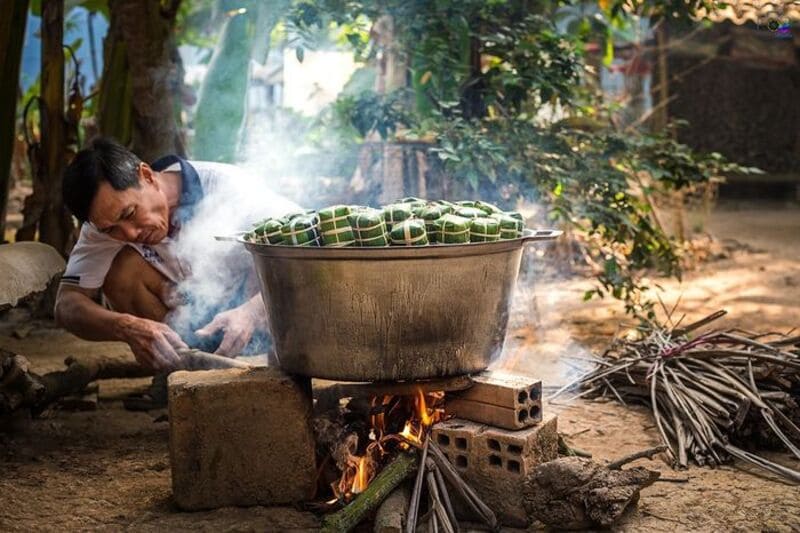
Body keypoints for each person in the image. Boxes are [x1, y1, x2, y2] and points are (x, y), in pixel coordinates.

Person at [55, 137, 299, 371]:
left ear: (147, 176)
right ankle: (182, 369)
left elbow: (308, 260)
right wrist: (127, 327)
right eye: (110, 229)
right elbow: (67, 304)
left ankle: (285, 373)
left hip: (261, 317)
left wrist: (250, 313)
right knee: (120, 271)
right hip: (186, 322)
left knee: (281, 262)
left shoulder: (230, 188)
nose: (129, 234)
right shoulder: (104, 222)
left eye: (129, 213)